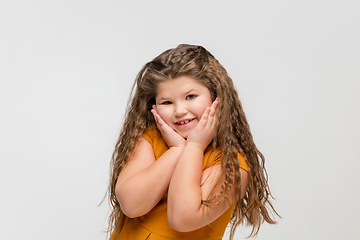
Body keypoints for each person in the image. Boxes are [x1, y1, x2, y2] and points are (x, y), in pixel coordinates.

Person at [106, 44, 279, 240]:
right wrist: (177, 150)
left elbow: (182, 218)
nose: (179, 110)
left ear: (216, 97)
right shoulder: (150, 139)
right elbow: (131, 204)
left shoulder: (231, 164)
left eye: (190, 96)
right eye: (167, 102)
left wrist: (194, 147)